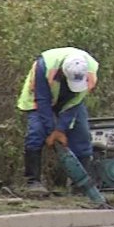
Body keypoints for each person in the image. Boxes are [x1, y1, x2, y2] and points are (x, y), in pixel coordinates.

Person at [16, 47, 98, 195]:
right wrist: (51, 131)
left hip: (70, 102)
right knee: (36, 133)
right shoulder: (44, 67)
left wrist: (60, 129)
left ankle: (82, 186)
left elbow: (75, 102)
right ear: (63, 73)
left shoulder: (90, 71)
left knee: (82, 135)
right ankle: (32, 181)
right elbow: (42, 100)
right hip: (39, 98)